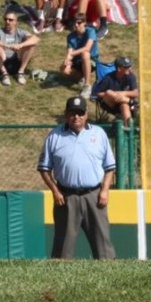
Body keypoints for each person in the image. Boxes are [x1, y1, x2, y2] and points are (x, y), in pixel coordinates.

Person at [38, 96, 116, 260]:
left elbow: (110, 167)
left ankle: (109, 272)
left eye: (80, 113)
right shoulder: (55, 136)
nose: (76, 117)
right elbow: (44, 169)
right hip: (66, 196)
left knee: (103, 247)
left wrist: (105, 191)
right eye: (72, 113)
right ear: (66, 114)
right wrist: (55, 191)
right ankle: (59, 275)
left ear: (86, 114)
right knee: (62, 249)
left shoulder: (98, 134)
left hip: (94, 195)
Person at [0, 9, 39, 86]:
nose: (7, 22)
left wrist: (21, 45)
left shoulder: (20, 32)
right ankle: (4, 74)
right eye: (5, 19)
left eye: (10, 20)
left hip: (16, 61)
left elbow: (36, 39)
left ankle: (21, 72)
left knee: (31, 44)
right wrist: (6, 46)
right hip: (1, 61)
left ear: (16, 21)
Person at [61, 15, 99, 99]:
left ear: (84, 23)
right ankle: (81, 77)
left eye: (79, 22)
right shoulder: (70, 36)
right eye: (74, 22)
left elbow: (87, 48)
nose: (76, 25)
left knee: (85, 54)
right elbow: (69, 52)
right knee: (64, 69)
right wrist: (68, 60)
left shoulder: (90, 31)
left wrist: (72, 54)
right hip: (77, 60)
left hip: (91, 60)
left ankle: (87, 86)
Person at [92, 56, 138, 124]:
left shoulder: (130, 76)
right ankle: (132, 102)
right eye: (127, 67)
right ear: (119, 69)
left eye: (129, 66)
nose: (129, 69)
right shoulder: (108, 78)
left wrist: (119, 94)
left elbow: (136, 93)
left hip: (125, 104)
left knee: (124, 105)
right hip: (111, 105)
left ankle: (128, 127)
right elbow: (97, 93)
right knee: (109, 92)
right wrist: (112, 95)